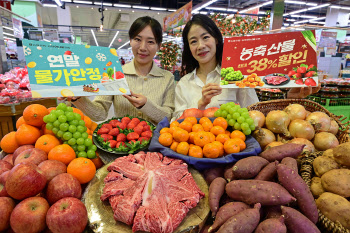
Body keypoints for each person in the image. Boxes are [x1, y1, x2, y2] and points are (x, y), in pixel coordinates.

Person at [173, 14, 320, 120]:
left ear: (216, 39)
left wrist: (288, 98)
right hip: (193, 153)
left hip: (233, 150)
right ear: (189, 48)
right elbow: (175, 122)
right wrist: (200, 106)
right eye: (193, 41)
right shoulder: (184, 83)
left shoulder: (237, 76)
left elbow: (255, 112)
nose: (201, 46)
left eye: (205, 37)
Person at [68, 16, 175, 125]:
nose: (143, 47)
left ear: (159, 46)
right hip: (122, 140)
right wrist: (79, 99)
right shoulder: (114, 74)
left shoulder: (167, 78)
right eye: (137, 39)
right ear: (130, 41)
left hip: (157, 141)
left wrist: (146, 105)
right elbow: (100, 113)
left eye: (150, 42)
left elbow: (169, 116)